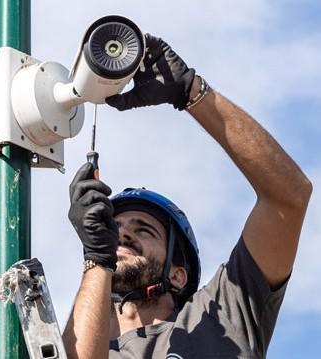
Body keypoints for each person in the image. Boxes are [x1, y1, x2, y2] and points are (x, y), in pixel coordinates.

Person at [62, 34, 312, 359]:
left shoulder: (219, 316)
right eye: (113, 229)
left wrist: (189, 90)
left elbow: (288, 197)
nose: (121, 233)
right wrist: (97, 256)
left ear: (178, 274)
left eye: (143, 230)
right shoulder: (67, 339)